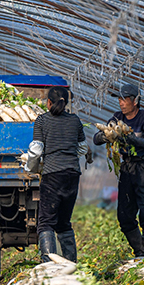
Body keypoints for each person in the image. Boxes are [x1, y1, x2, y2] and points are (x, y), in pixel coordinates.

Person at [93, 82, 144, 257]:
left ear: (135, 101)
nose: (121, 103)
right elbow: (96, 139)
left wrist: (135, 140)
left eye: (125, 99)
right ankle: (140, 252)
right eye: (120, 99)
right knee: (124, 215)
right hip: (127, 168)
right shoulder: (117, 119)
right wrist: (104, 135)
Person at [32, 85, 91, 262]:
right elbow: (82, 148)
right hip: (72, 174)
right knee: (64, 222)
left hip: (52, 174)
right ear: (66, 103)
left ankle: (49, 263)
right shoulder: (75, 121)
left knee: (46, 222)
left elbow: (36, 150)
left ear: (48, 102)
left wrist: (32, 168)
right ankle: (70, 263)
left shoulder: (42, 121)